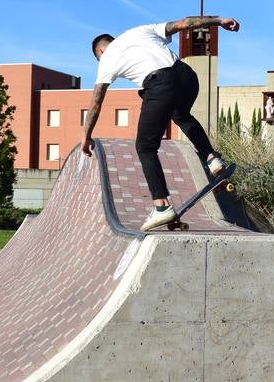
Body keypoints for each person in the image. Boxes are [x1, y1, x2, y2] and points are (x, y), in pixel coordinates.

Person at [82, 15, 240, 231]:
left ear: (100, 52)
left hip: (160, 84)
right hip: (187, 77)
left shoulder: (107, 58)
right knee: (181, 115)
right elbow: (183, 23)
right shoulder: (139, 31)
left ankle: (161, 206)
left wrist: (86, 136)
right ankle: (211, 158)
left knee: (145, 147)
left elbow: (95, 103)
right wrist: (219, 21)